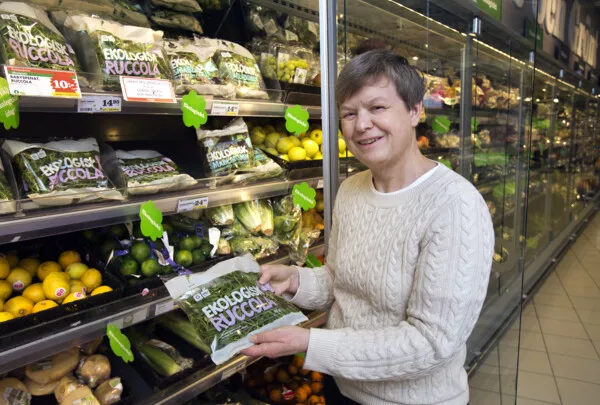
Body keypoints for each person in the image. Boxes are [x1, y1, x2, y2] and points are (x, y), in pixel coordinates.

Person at [242, 49, 494, 405]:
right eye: (349, 113)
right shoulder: (351, 189)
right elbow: (340, 281)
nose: (361, 125)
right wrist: (296, 280)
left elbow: (431, 343)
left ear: (414, 111)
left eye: (377, 108)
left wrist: (313, 343)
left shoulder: (455, 206)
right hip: (342, 388)